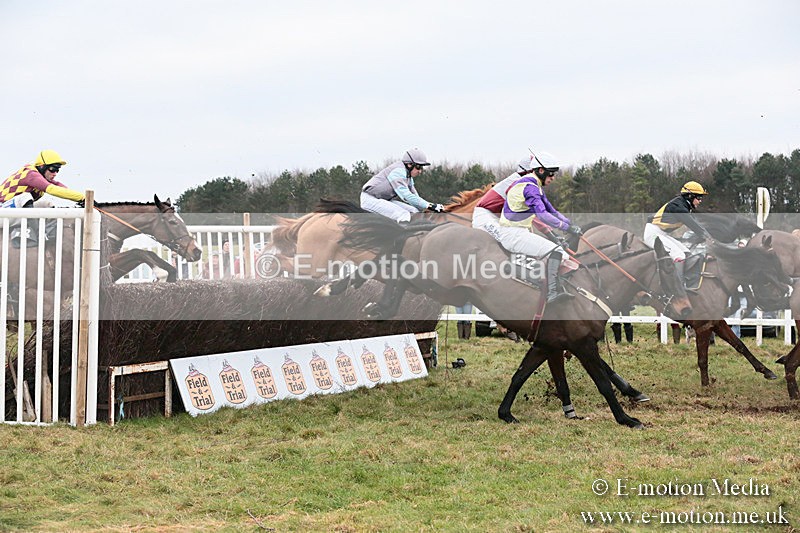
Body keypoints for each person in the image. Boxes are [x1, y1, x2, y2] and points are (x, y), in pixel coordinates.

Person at [496, 151, 581, 303]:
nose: (553, 178)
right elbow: (542, 215)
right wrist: (566, 227)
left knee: (563, 254)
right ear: (540, 170)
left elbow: (552, 211)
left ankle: (550, 287)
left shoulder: (535, 186)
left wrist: (570, 224)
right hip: (513, 234)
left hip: (518, 232)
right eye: (551, 174)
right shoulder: (530, 187)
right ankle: (551, 292)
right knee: (557, 251)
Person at [644, 181, 711, 285]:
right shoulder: (678, 207)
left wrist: (706, 234)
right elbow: (693, 224)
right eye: (699, 197)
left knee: (687, 253)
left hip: (661, 233)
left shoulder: (684, 206)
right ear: (690, 196)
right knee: (679, 256)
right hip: (653, 234)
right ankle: (676, 288)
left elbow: (697, 224)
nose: (700, 201)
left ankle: (687, 282)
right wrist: (709, 238)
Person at [360, 148, 444, 223]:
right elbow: (407, 196)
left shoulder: (408, 176)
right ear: (409, 164)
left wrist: (428, 208)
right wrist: (429, 205)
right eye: (418, 167)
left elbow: (415, 197)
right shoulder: (398, 172)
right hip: (369, 199)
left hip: (383, 199)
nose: (420, 171)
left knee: (414, 212)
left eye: (422, 168)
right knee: (403, 215)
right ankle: (402, 239)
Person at [1, 150, 84, 207]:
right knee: (24, 197)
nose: (55, 174)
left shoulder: (42, 178)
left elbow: (61, 188)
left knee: (47, 204)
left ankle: (47, 233)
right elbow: (52, 189)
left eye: (57, 170)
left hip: (12, 213)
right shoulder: (31, 174)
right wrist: (82, 198)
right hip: (3, 209)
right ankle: (34, 232)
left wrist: (87, 199)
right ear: (42, 166)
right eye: (52, 169)